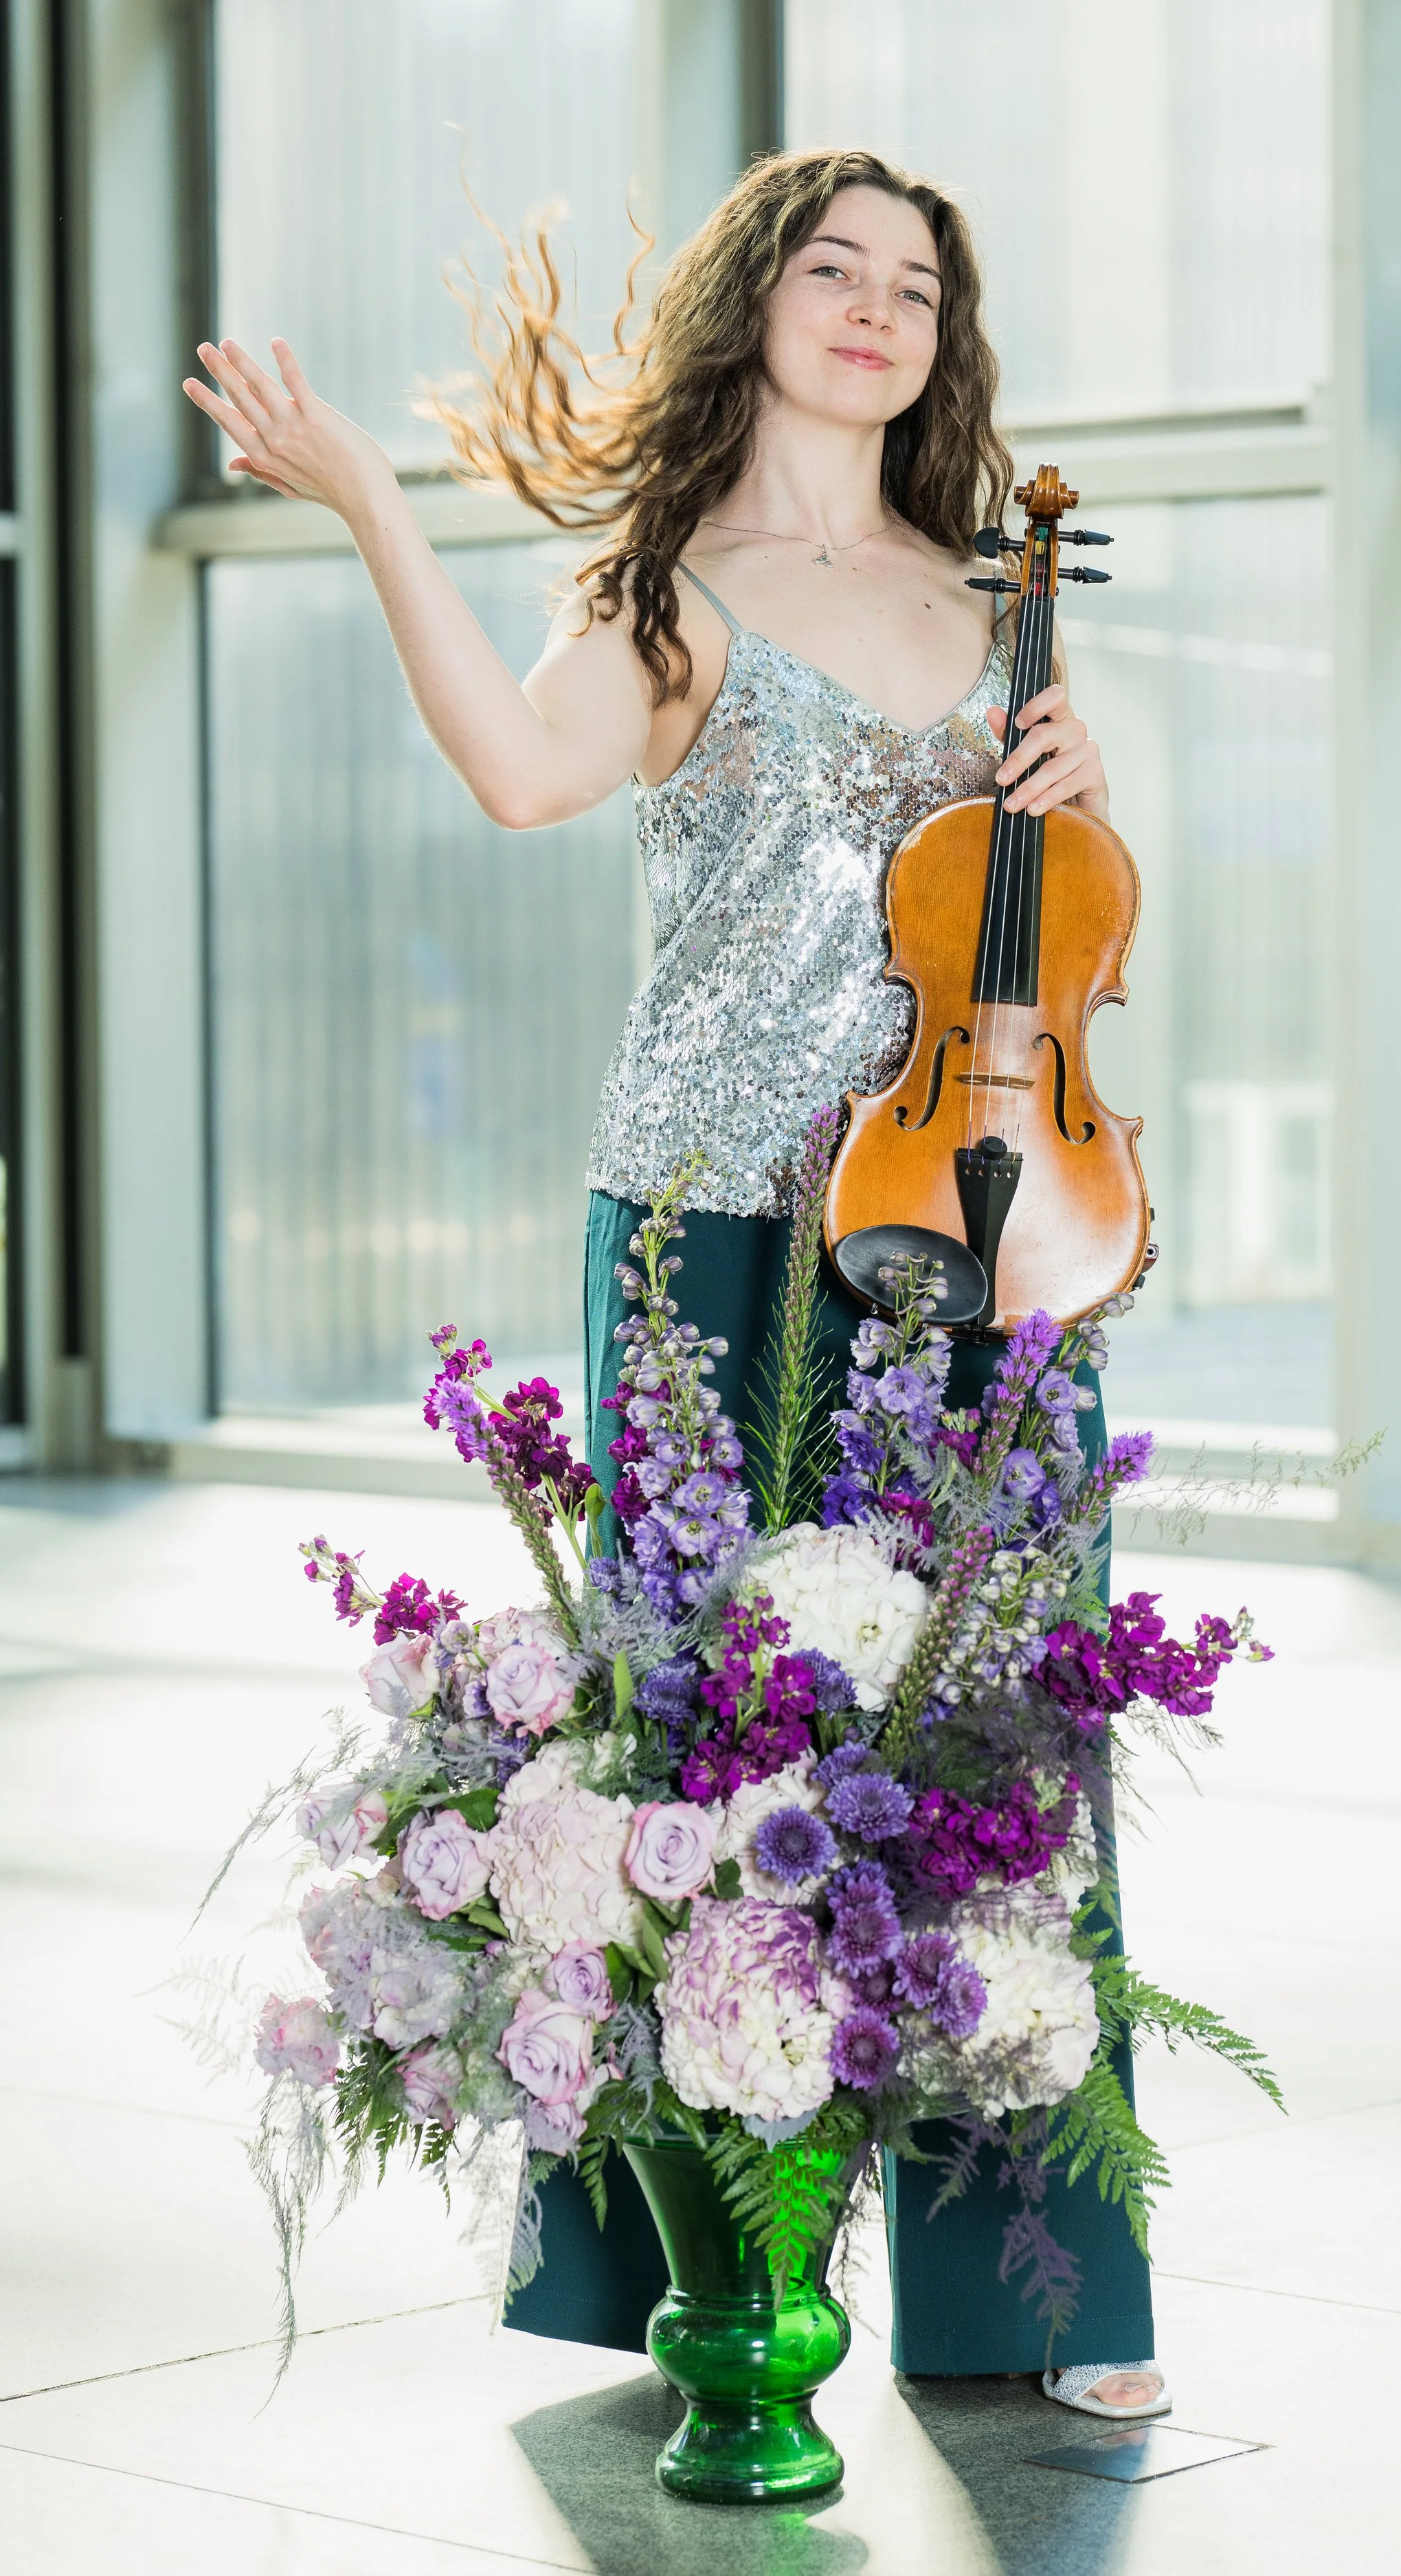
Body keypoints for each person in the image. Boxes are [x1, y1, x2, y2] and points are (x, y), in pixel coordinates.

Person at [184, 145, 1165, 2422]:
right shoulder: (666, 583)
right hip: (711, 1214)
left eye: (913, 282)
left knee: (1002, 1742)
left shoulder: (993, 593)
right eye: (830, 265)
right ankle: (674, 2275)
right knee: (696, 1739)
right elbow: (525, 776)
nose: (872, 305)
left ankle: (1037, 2298)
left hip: (967, 1212)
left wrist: (1086, 789)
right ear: (752, 302)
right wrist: (363, 502)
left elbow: (1061, 954)